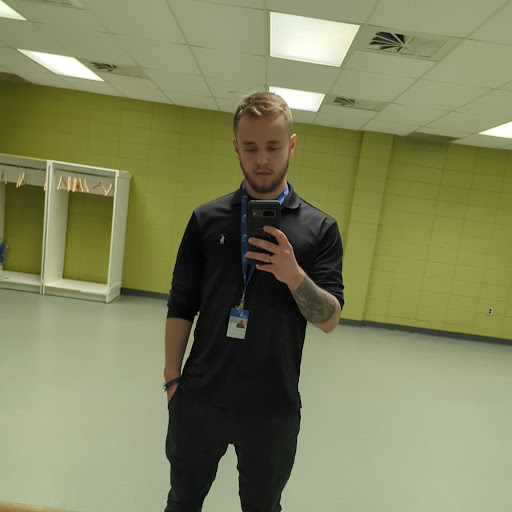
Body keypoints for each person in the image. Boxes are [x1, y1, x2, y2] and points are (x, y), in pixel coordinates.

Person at [164, 91, 344, 512]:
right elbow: (181, 303)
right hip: (201, 397)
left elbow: (329, 319)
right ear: (236, 148)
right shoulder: (206, 220)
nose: (262, 160)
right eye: (250, 148)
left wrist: (294, 275)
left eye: (273, 147)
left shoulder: (320, 229)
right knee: (182, 501)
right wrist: (172, 381)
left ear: (292, 145)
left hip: (272, 407)